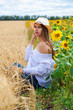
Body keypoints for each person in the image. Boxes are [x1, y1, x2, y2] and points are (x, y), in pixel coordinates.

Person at [12, 17, 55, 89]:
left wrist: (24, 70)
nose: (36, 29)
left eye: (39, 27)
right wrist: (31, 42)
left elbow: (42, 70)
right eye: (35, 27)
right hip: (35, 76)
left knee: (13, 72)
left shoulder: (43, 45)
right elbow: (27, 58)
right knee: (15, 66)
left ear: (44, 29)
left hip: (38, 82)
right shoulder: (41, 43)